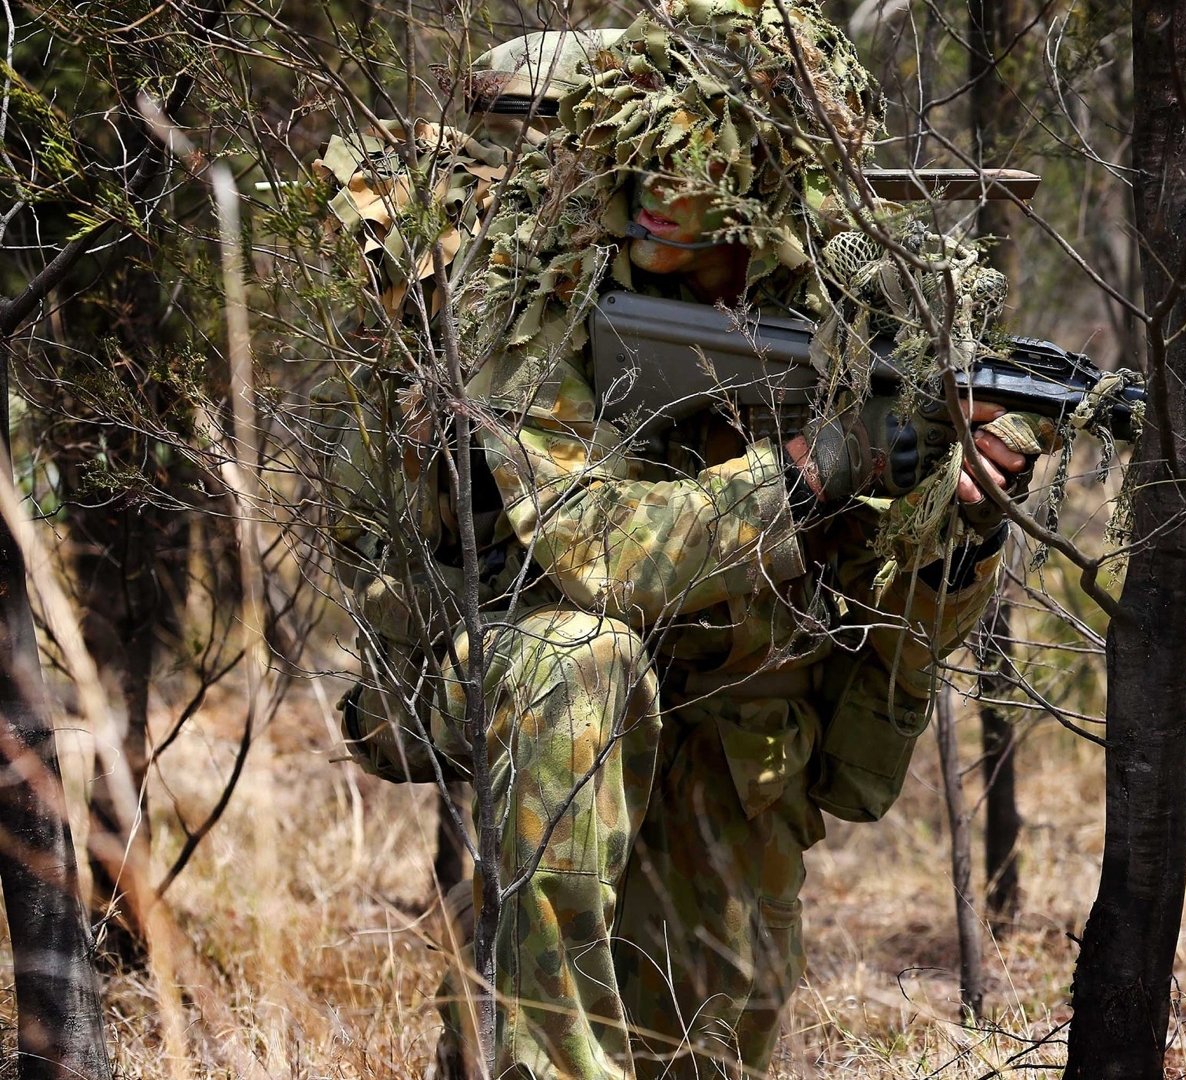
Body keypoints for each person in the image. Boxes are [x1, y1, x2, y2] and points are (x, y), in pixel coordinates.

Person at [311, 5, 1056, 1077]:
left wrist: (969, 520)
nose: (658, 201)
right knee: (577, 658)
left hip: (736, 718)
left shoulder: (831, 296)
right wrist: (817, 467)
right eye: (639, 169)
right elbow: (595, 550)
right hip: (537, 685)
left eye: (694, 174)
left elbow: (897, 589)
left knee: (717, 1035)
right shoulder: (530, 293)